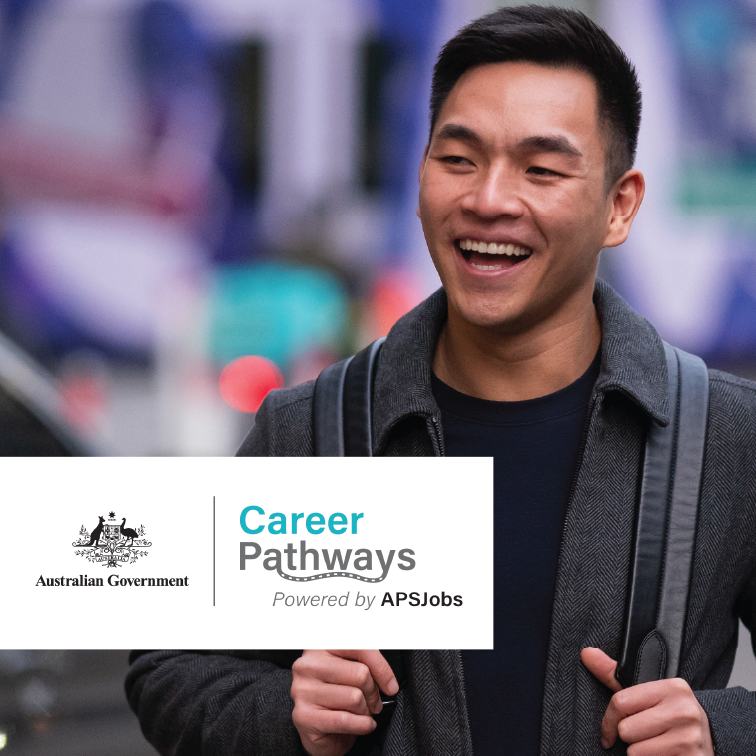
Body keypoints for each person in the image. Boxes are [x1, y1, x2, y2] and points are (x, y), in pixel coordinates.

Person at [126, 6, 756, 755]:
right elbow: (169, 663)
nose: (489, 199)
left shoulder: (725, 437)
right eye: (458, 159)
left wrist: (723, 730)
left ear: (619, 205)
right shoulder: (313, 429)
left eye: (542, 169)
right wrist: (287, 713)